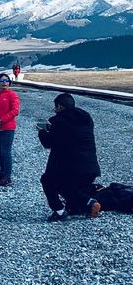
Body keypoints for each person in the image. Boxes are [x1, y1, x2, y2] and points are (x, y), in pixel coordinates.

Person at [37, 92, 101, 221]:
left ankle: (60, 211)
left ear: (60, 107)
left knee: (49, 181)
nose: (55, 110)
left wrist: (42, 131)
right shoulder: (86, 118)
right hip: (91, 167)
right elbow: (70, 134)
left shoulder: (58, 120)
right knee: (71, 190)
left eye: (55, 108)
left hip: (71, 167)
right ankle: (84, 205)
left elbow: (48, 142)